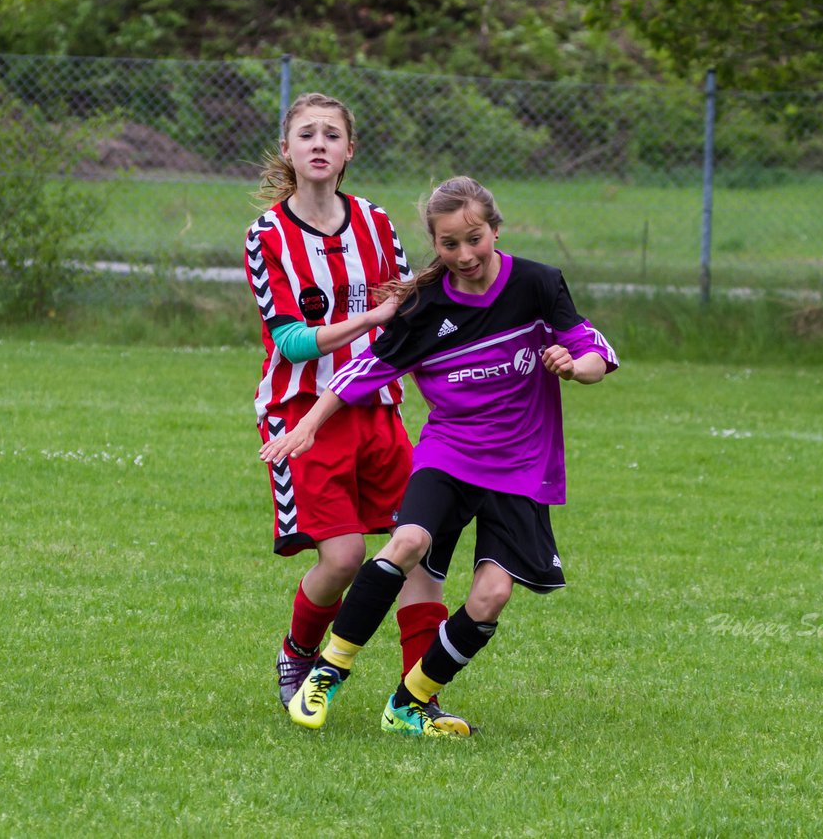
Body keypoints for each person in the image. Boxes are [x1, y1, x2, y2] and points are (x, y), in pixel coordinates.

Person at [259, 175, 619, 737]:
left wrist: (574, 368)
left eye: (474, 238)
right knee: (408, 542)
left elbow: (596, 349)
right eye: (449, 244)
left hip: (522, 464)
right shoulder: (425, 307)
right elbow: (362, 372)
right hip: (449, 453)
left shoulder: (538, 284)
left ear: (495, 229)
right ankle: (327, 671)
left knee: (492, 594)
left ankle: (411, 702)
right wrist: (306, 426)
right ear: (435, 244)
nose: (465, 254)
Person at [245, 93, 466, 729]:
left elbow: (410, 310)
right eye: (305, 134)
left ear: (349, 149)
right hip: (302, 415)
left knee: (418, 551)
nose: (319, 144)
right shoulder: (268, 236)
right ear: (287, 151)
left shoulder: (374, 222)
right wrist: (369, 318)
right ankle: (298, 651)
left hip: (379, 411)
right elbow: (287, 338)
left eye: (331, 134)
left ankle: (416, 699)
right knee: (342, 559)